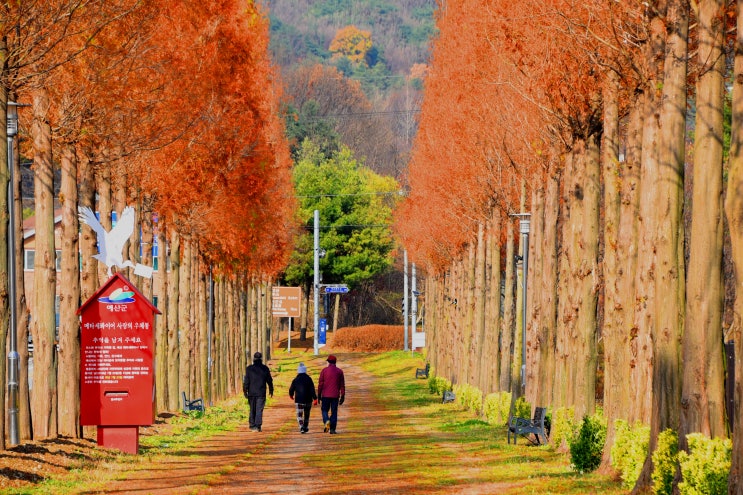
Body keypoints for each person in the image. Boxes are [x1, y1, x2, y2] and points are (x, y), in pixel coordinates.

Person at [242, 351, 273, 432]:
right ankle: (257, 426)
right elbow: (269, 380)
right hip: (261, 392)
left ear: (254, 359)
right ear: (261, 359)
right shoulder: (265, 368)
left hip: (251, 392)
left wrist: (245, 391)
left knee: (252, 409)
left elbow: (246, 381)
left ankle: (252, 425)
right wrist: (271, 389)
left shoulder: (249, 369)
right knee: (259, 409)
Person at [317, 354, 345, 434]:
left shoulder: (324, 371)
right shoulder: (340, 371)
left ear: (329, 362)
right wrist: (343, 395)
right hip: (335, 396)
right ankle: (332, 429)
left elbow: (320, 384)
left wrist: (319, 395)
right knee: (334, 412)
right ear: (335, 362)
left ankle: (326, 421)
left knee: (324, 410)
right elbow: (342, 385)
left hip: (325, 395)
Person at [289, 362, 317, 434]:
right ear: (305, 370)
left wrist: (291, 395)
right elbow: (312, 389)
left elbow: (291, 389)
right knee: (307, 415)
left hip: (299, 400)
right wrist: (315, 398)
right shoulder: (309, 379)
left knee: (299, 415)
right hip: (308, 400)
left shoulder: (295, 380)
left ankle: (302, 427)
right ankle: (305, 426)